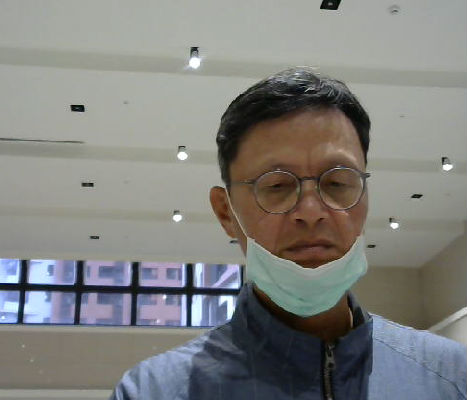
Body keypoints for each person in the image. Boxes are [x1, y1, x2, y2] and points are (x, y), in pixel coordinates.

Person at [110, 67, 466, 399]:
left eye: (338, 182)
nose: (311, 212)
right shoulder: (156, 391)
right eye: (277, 185)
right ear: (226, 212)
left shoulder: (450, 376)